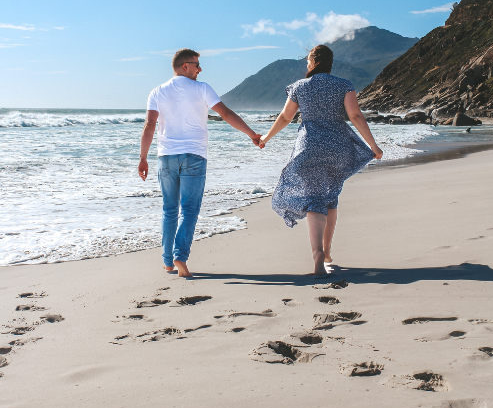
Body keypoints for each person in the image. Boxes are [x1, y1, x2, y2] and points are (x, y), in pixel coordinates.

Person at [259, 44, 383, 276]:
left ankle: (317, 253)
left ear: (314, 62)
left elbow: (286, 117)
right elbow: (355, 115)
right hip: (338, 148)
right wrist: (373, 146)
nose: (306, 64)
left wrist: (266, 137)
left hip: (309, 148)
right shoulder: (344, 85)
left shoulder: (299, 87)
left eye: (308, 60)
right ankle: (326, 252)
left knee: (315, 199)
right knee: (330, 197)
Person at [138, 49, 262, 278]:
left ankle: (168, 262)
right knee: (190, 210)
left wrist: (143, 158)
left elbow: (149, 126)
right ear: (185, 66)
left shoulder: (157, 91)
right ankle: (180, 256)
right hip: (194, 156)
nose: (200, 69)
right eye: (197, 64)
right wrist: (251, 134)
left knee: (169, 209)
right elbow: (225, 113)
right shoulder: (202, 88)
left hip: (166, 157)